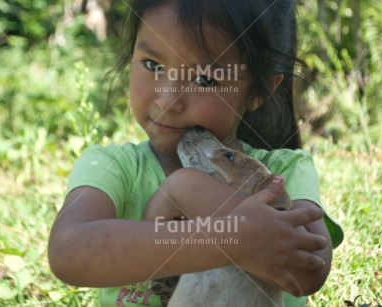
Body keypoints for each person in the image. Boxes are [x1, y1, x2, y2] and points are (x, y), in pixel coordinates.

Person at [48, 0, 343, 306]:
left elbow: (308, 271)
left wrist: (186, 189)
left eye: (204, 79)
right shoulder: (114, 167)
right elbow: (68, 251)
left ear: (259, 90)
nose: (167, 100)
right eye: (153, 65)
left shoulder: (283, 172)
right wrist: (231, 239)